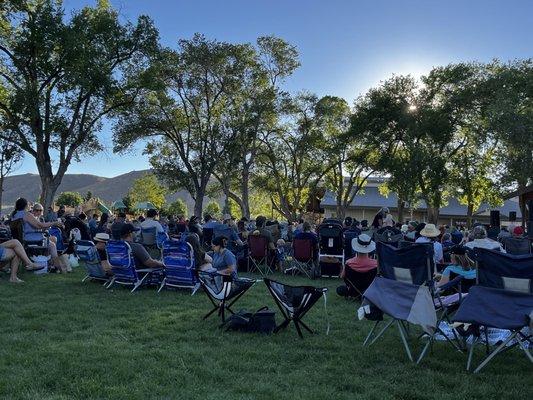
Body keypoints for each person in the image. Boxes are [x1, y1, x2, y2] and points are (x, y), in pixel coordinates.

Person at [11, 198, 68, 272]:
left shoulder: (14, 215)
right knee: (52, 245)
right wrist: (55, 223)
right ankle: (58, 268)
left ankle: (52, 265)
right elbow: (39, 225)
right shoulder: (26, 214)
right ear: (25, 206)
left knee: (52, 240)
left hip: (22, 239)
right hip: (31, 239)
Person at [337, 234, 378, 298]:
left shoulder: (349, 263)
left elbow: (342, 276)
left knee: (340, 289)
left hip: (353, 291)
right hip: (369, 292)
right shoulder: (375, 264)